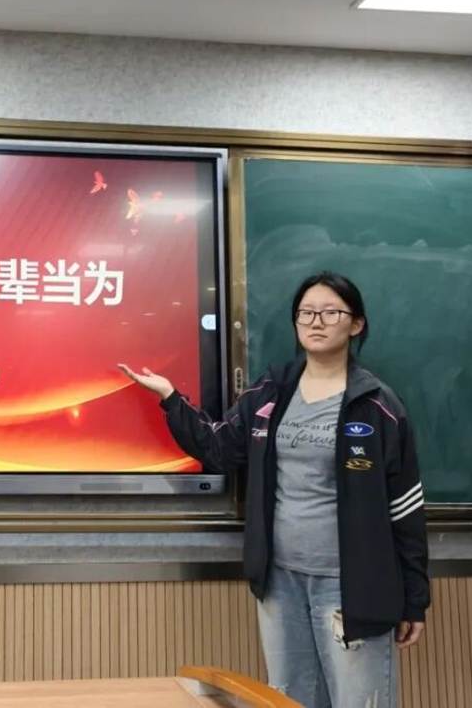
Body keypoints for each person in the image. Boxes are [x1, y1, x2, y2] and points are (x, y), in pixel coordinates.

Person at [120, 271, 429, 708]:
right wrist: (171, 398)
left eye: (330, 312)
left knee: (360, 701)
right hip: (281, 582)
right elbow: (220, 448)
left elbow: (405, 508)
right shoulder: (272, 391)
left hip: (351, 587)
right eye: (306, 313)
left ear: (356, 324)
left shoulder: (378, 405)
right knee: (290, 700)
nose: (316, 322)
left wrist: (414, 600)